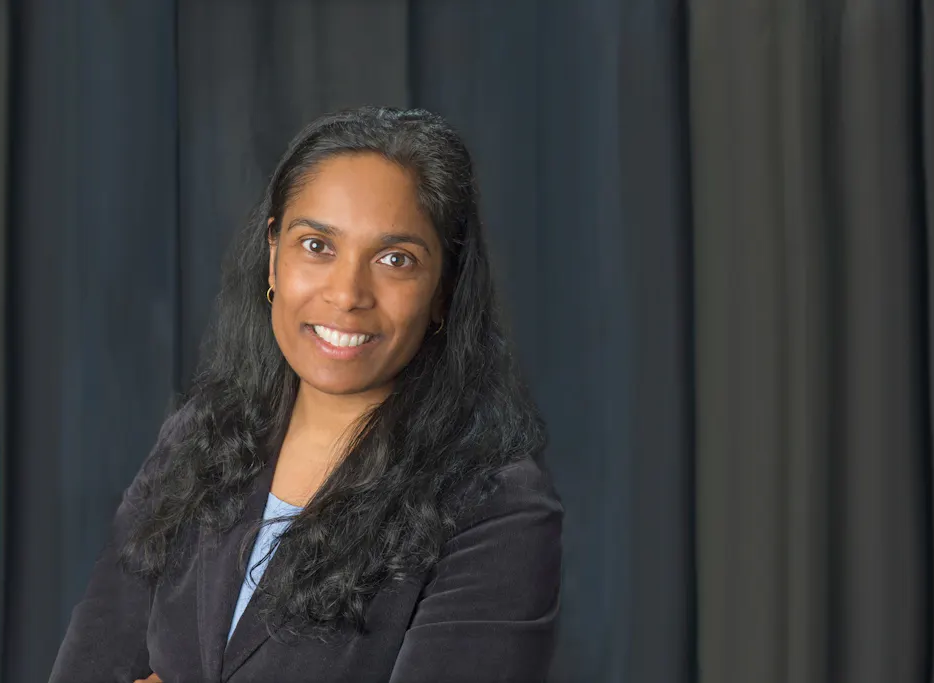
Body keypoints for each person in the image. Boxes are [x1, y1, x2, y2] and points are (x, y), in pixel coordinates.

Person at [48, 106, 563, 683]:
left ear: (444, 289)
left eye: (395, 259)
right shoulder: (200, 436)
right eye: (317, 245)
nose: (347, 294)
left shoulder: (496, 505)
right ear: (273, 257)